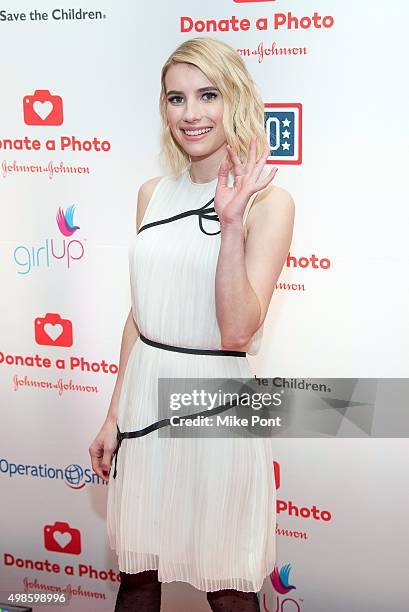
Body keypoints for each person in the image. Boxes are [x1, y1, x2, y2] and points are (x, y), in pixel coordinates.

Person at [89, 37, 295, 612]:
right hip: (144, 401)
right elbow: (140, 315)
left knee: (228, 585)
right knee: (137, 575)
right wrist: (113, 415)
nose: (192, 112)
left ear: (235, 99)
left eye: (208, 95)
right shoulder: (152, 194)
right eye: (176, 98)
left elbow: (236, 333)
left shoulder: (269, 205)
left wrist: (230, 223)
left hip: (216, 405)